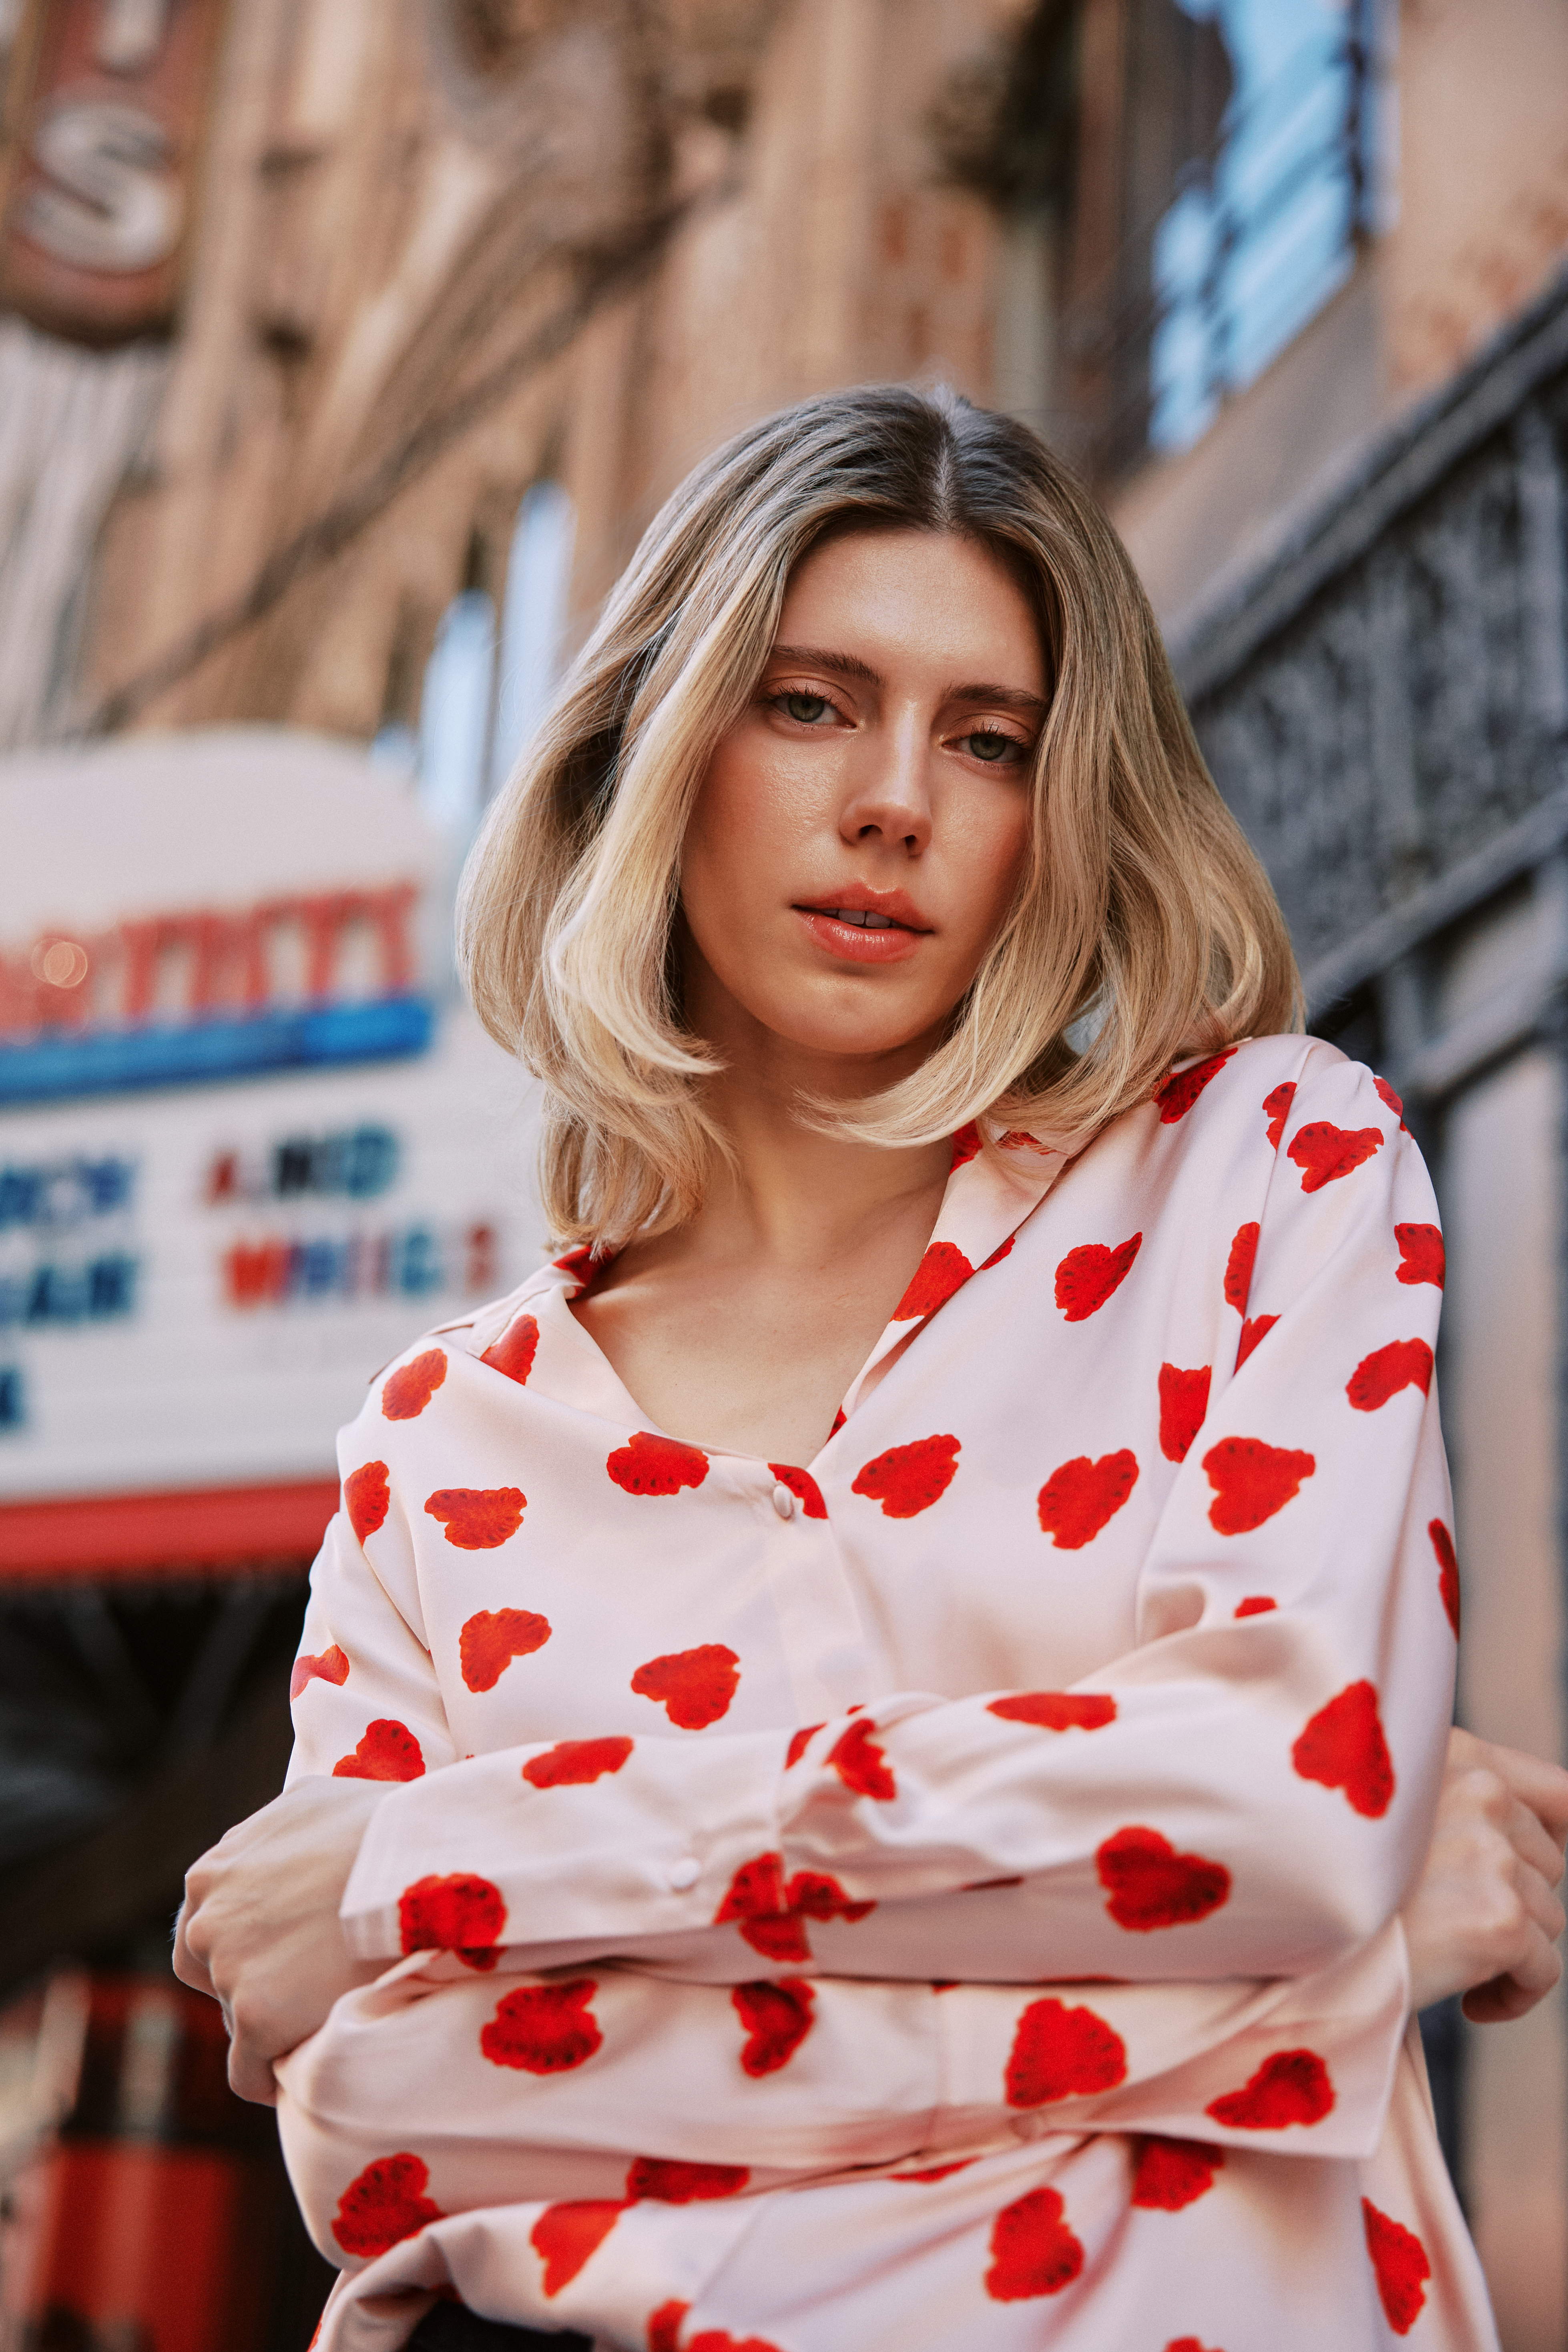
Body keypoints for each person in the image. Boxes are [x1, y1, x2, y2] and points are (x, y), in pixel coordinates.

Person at [177, 387, 1568, 2352]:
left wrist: (451, 1863)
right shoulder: (438, 1447)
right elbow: (384, 2128)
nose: (894, 799)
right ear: (658, 745)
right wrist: (1320, 1965)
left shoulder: (1265, 1172)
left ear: (1059, 802)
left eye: (986, 738)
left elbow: (1283, 1798)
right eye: (809, 703)